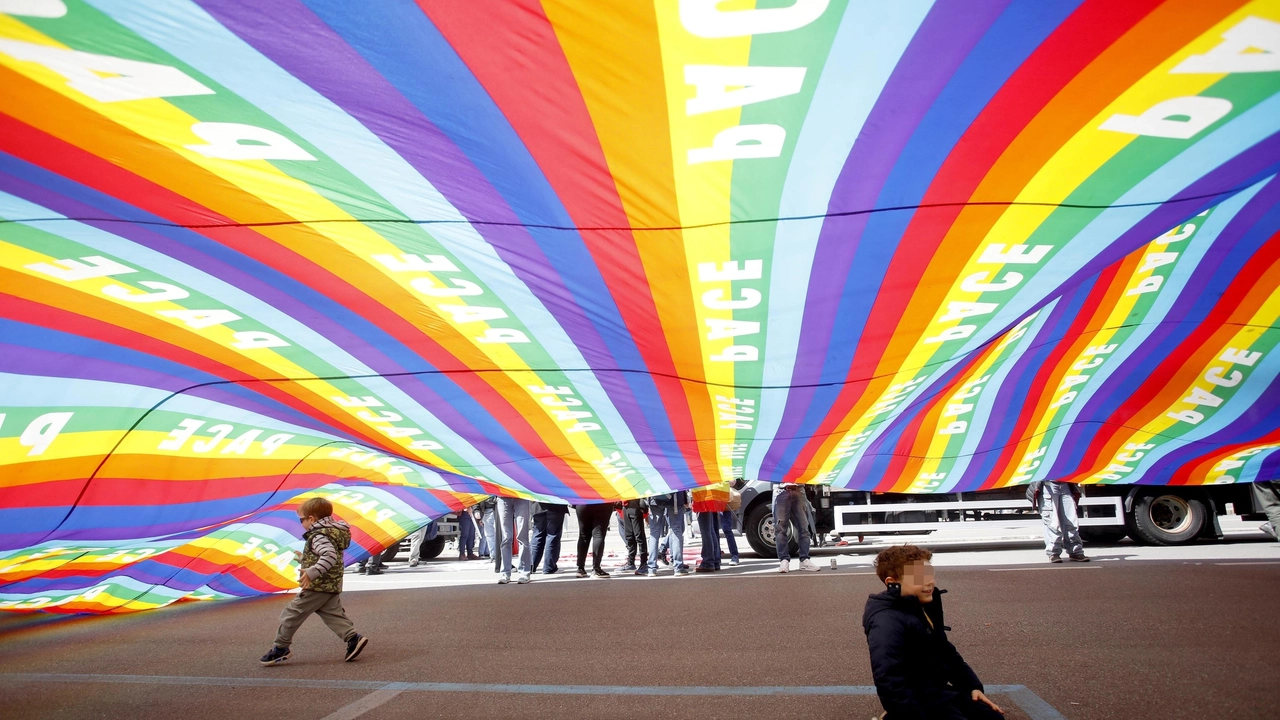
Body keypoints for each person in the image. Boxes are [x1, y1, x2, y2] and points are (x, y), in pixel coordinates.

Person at [863, 545, 1003, 720]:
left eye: (929, 575)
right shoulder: (886, 621)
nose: (929, 582)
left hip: (937, 693)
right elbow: (888, 678)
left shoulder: (920, 604)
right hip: (916, 700)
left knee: (993, 717)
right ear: (892, 583)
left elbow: (944, 650)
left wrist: (971, 686)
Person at [260, 497, 368, 666]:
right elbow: (327, 555)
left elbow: (329, 556)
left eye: (301, 519)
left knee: (291, 614)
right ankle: (353, 638)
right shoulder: (333, 531)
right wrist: (305, 559)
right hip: (331, 583)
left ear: (312, 518)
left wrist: (311, 571)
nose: (301, 523)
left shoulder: (318, 535)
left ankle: (281, 648)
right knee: (332, 614)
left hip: (318, 585)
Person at [1027, 481, 1089, 563]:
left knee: (1071, 521)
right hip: (1048, 484)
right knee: (1052, 522)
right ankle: (1053, 553)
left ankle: (1075, 552)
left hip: (1065, 483)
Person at [774, 483, 821, 573]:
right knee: (781, 529)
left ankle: (804, 560)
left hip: (799, 489)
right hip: (781, 489)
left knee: (804, 527)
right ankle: (784, 560)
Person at [647, 490, 689, 576]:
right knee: (676, 531)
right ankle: (678, 567)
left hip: (654, 497)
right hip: (675, 498)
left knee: (654, 533)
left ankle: (651, 568)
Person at [691, 482, 730, 573]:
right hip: (710, 495)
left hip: (702, 496)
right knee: (710, 530)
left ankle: (708, 562)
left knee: (706, 531)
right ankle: (715, 560)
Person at [494, 497, 532, 584]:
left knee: (522, 537)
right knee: (506, 537)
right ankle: (505, 573)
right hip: (503, 496)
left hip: (521, 495)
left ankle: (524, 572)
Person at [575, 502, 614, 578]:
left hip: (582, 502)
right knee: (598, 534)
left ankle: (580, 568)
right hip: (602, 503)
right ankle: (596, 568)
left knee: (583, 535)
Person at [530, 501, 571, 573]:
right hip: (555, 504)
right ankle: (549, 567)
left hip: (537, 505)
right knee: (552, 535)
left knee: (537, 535)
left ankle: (531, 565)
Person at [618, 499, 649, 574]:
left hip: (635, 505)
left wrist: (642, 506)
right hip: (626, 506)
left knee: (639, 536)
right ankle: (631, 563)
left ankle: (644, 563)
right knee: (629, 536)